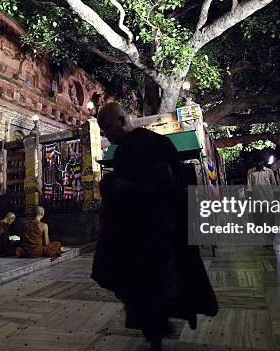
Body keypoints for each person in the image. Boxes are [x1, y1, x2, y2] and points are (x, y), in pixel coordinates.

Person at [92, 102, 217, 350]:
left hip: (156, 230)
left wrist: (126, 187)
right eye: (102, 130)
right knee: (142, 286)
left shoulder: (148, 143)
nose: (106, 134)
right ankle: (154, 331)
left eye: (107, 127)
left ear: (122, 119)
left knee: (154, 284)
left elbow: (165, 183)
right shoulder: (124, 150)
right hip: (135, 233)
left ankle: (156, 335)